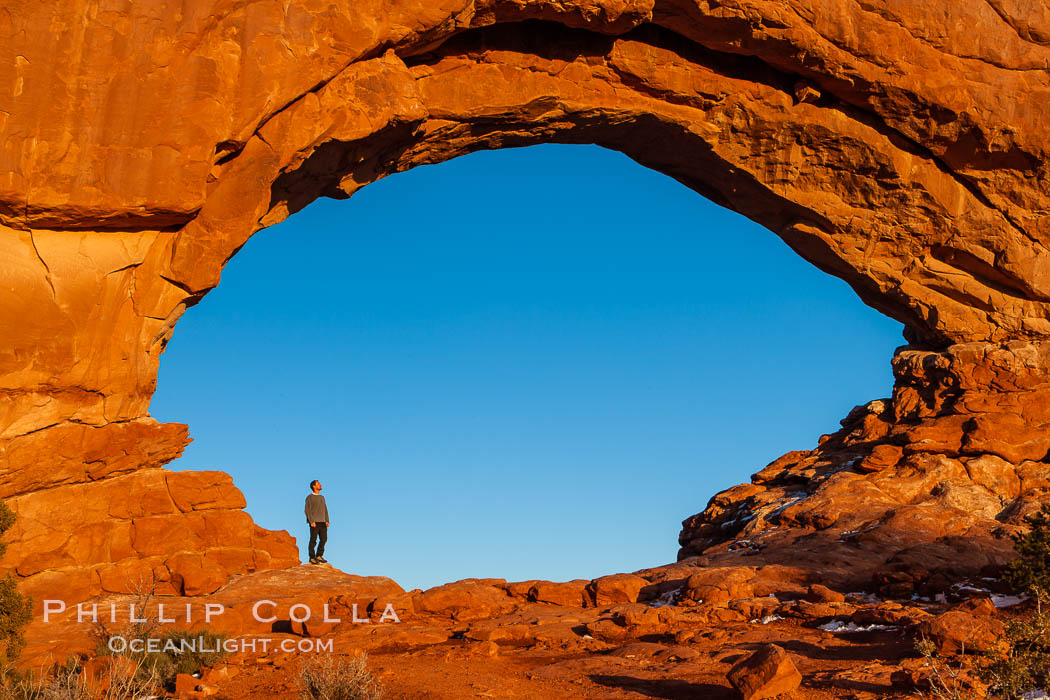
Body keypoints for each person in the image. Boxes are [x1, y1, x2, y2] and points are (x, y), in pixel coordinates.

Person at [304, 479, 330, 564]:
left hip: (323, 522)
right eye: (318, 484)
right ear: (314, 486)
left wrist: (327, 520)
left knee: (324, 539)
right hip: (314, 523)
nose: (320, 485)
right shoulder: (309, 497)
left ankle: (319, 556)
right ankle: (312, 557)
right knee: (313, 540)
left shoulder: (322, 497)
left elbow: (325, 509)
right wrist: (311, 521)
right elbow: (307, 510)